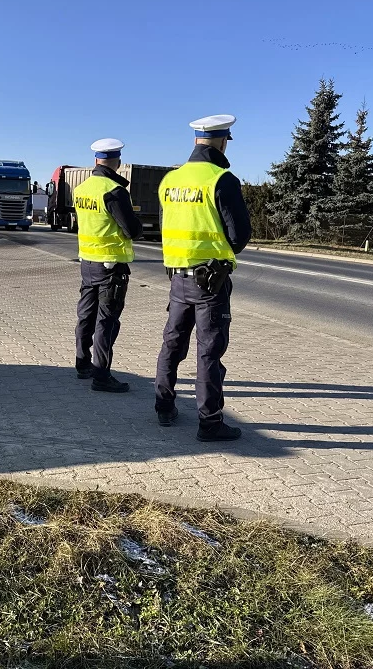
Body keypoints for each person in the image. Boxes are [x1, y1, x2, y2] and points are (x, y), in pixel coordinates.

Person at [154, 115, 252, 442]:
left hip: (177, 278)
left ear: (196, 140)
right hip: (211, 281)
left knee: (172, 343)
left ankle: (163, 405)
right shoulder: (221, 179)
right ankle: (209, 423)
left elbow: (166, 228)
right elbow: (239, 236)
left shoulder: (170, 180)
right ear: (223, 141)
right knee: (208, 352)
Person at [74, 138, 143, 392]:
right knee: (106, 321)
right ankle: (101, 376)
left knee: (86, 316)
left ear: (95, 160)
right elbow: (131, 229)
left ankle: (82, 364)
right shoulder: (114, 191)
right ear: (118, 162)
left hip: (87, 263)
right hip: (110, 267)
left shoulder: (81, 189)